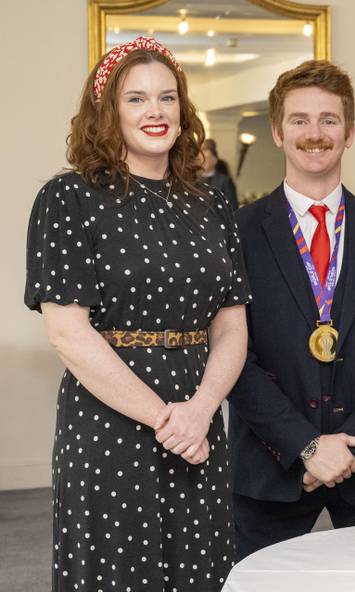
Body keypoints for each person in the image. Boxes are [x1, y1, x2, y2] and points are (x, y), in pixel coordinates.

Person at [24, 37, 251, 590]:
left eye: (167, 97)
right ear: (108, 112)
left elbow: (231, 325)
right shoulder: (68, 198)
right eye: (136, 99)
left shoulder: (213, 203)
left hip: (199, 418)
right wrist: (168, 421)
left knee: (201, 568)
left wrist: (201, 410)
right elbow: (68, 333)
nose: (156, 111)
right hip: (111, 424)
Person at [229, 60, 355, 558]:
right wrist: (307, 445)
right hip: (270, 465)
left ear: (349, 132)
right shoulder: (236, 233)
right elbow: (230, 354)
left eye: (329, 120)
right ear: (278, 132)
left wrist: (353, 443)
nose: (314, 133)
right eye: (299, 120)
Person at [202, 138, 239, 211]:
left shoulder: (225, 181)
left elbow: (232, 206)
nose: (203, 161)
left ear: (215, 160)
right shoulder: (194, 180)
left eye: (206, 158)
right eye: (201, 158)